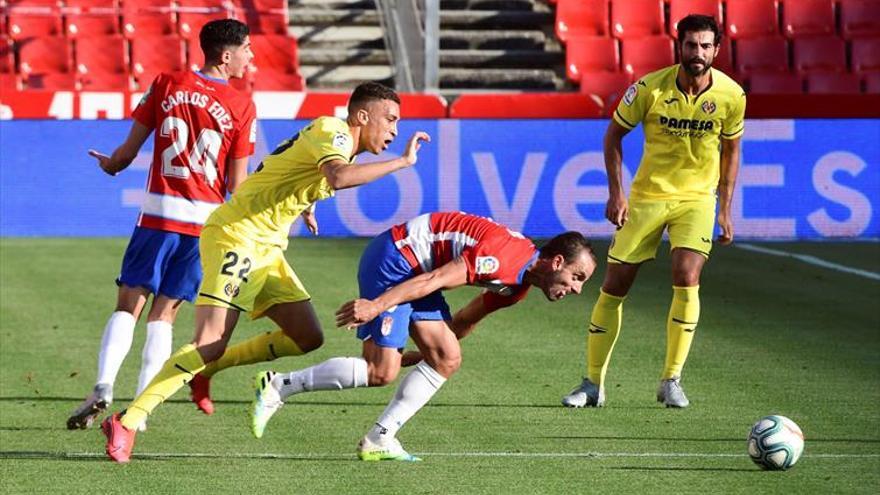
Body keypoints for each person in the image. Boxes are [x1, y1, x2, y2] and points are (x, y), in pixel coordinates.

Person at [100, 82, 431, 463]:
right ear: (361, 116)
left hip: (267, 248)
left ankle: (211, 368)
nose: (393, 131)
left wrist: (300, 203)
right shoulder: (333, 131)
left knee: (307, 337)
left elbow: (268, 168)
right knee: (209, 340)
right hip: (236, 236)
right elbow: (338, 177)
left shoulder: (336, 145)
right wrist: (403, 163)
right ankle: (127, 420)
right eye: (389, 120)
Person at [248, 211, 597, 461]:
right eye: (577, 276)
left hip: (418, 269)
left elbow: (465, 320)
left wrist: (421, 355)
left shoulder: (517, 286)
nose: (578, 289)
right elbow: (434, 281)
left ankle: (379, 439)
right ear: (556, 263)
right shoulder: (502, 260)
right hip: (397, 259)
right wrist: (376, 306)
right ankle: (279, 386)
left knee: (448, 357)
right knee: (380, 371)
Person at [66, 19, 257, 430]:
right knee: (165, 316)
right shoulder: (242, 105)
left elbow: (126, 153)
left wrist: (111, 165)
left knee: (128, 305)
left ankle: (102, 385)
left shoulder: (166, 83)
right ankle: (140, 408)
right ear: (227, 55)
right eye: (246, 49)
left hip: (157, 215)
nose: (251, 56)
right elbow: (236, 185)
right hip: (203, 225)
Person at [560, 14, 745, 409]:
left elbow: (731, 153)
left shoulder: (732, 95)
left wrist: (724, 211)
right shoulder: (648, 88)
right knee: (615, 285)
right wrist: (617, 193)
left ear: (717, 49)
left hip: (697, 199)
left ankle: (671, 379)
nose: (698, 53)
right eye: (691, 45)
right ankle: (592, 383)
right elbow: (613, 135)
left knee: (686, 274)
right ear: (679, 47)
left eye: (705, 46)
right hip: (646, 198)